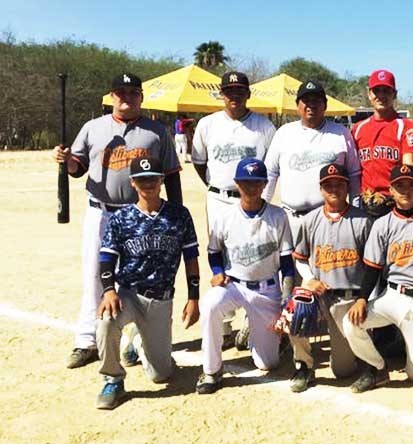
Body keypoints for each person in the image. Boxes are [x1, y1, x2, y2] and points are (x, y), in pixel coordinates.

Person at [53, 72, 182, 369]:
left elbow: (172, 174)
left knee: (139, 275)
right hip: (102, 211)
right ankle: (86, 340)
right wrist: (68, 160)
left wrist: (174, 216)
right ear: (111, 96)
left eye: (132, 93)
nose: (126, 97)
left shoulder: (157, 131)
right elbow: (78, 168)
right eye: (120, 92)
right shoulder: (93, 128)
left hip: (141, 214)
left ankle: (135, 340)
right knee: (96, 274)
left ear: (141, 97)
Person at [94, 156, 199, 409]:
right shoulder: (121, 218)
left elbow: (191, 258)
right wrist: (108, 291)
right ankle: (113, 379)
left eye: (152, 178)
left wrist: (193, 297)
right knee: (107, 321)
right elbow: (107, 258)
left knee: (161, 375)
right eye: (142, 180)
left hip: (161, 299)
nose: (148, 184)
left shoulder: (179, 215)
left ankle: (137, 340)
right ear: (132, 182)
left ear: (162, 180)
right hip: (129, 294)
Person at [195, 158, 295, 395]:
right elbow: (214, 251)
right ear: (237, 184)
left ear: (264, 185)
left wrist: (286, 301)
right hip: (234, 285)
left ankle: (260, 336)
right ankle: (211, 370)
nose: (251, 188)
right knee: (210, 304)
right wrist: (218, 272)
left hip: (267, 290)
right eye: (246, 182)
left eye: (256, 183)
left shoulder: (278, 216)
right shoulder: (225, 216)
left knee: (267, 364)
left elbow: (287, 263)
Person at [192, 71, 277, 349]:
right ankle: (225, 323)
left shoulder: (263, 126)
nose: (234, 96)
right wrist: (218, 184)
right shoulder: (207, 124)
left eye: (240, 91)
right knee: (221, 254)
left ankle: (249, 321)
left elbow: (270, 168)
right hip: (219, 197)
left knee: (255, 251)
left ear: (248, 94)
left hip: (253, 198)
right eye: (229, 91)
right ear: (221, 94)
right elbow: (199, 162)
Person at [342, 164, 413, 392]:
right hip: (393, 296)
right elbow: (372, 268)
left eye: (411, 186)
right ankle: (378, 367)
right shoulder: (382, 224)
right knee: (350, 322)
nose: (406, 191)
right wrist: (361, 300)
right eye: (400, 186)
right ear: (391, 191)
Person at [288, 163, 373, 392]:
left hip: (347, 299)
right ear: (321, 189)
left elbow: (373, 267)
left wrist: (364, 299)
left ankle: (358, 354)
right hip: (318, 296)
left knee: (342, 371)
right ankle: (303, 365)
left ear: (347, 187)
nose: (333, 189)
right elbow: (300, 258)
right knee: (295, 309)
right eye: (328, 185)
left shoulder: (363, 221)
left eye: (339, 184)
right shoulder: (310, 220)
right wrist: (309, 280)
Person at [262, 79, 362, 250]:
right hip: (291, 219)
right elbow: (270, 174)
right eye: (306, 100)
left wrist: (356, 213)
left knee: (329, 271)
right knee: (290, 273)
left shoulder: (341, 133)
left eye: (316, 100)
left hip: (330, 219)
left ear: (325, 105)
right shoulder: (284, 133)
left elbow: (354, 174)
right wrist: (262, 210)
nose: (311, 105)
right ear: (297, 105)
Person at [352, 69, 413, 218]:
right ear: (369, 94)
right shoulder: (358, 128)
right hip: (364, 204)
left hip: (394, 203)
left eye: (386, 90)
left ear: (395, 94)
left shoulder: (406, 126)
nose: (381, 95)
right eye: (376, 90)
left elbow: (409, 168)